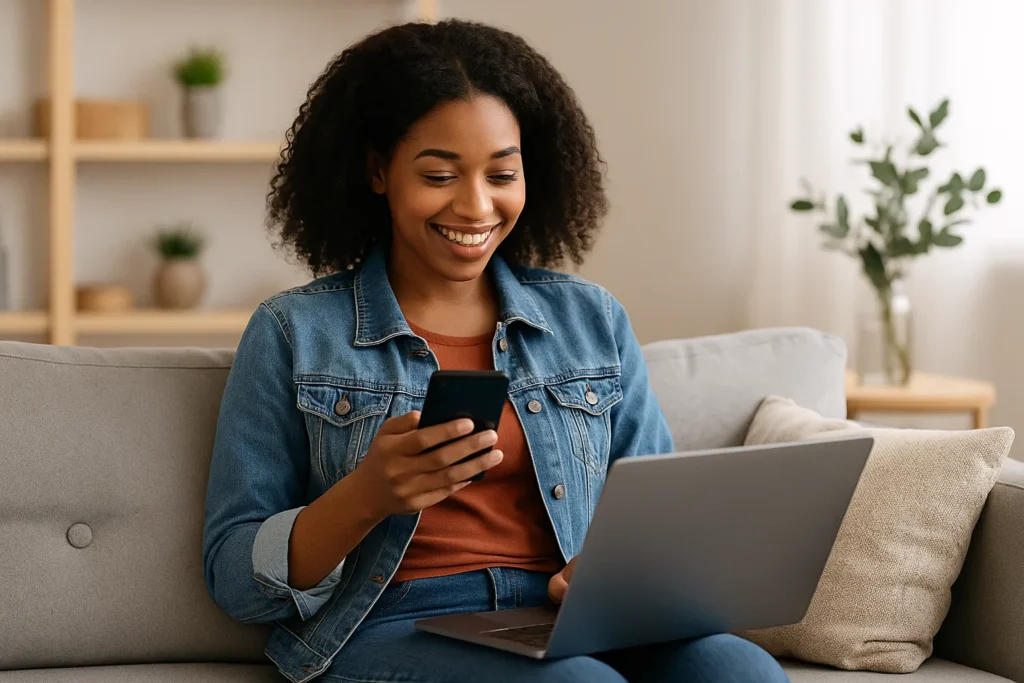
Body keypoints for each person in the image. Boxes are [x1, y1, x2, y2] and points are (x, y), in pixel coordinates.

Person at [202, 18, 789, 683]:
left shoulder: (589, 319)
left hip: (568, 616)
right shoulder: (293, 331)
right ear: (376, 171)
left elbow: (656, 515)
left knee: (740, 669)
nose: (476, 206)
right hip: (392, 624)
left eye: (501, 173)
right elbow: (234, 576)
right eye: (440, 174)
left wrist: (612, 569)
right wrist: (365, 494)